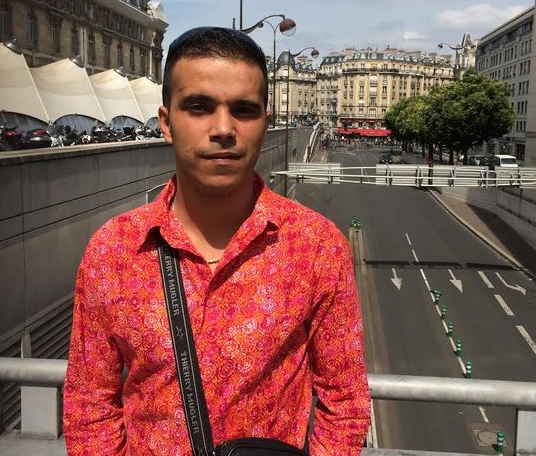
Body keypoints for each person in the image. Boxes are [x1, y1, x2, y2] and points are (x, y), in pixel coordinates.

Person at [63, 27, 371, 455]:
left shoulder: (318, 246)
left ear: (266, 122)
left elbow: (345, 401)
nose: (223, 128)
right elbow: (89, 405)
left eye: (243, 110)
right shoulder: (112, 251)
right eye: (199, 107)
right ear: (167, 123)